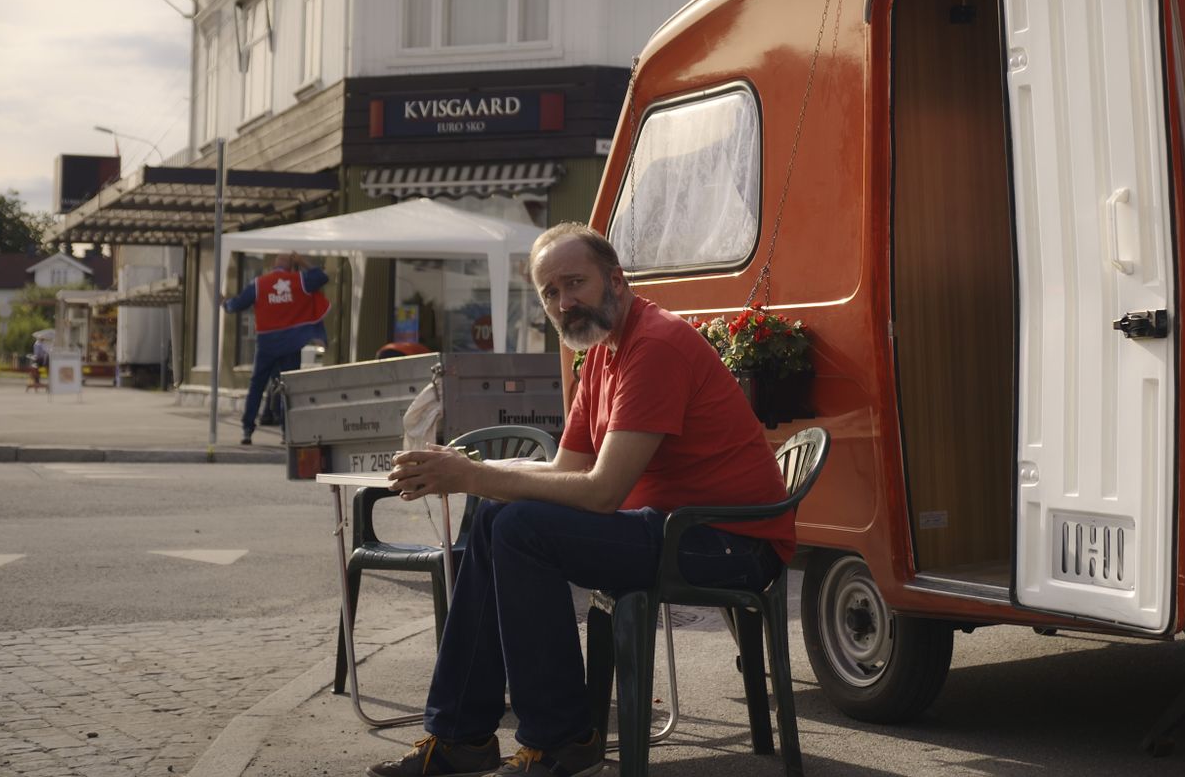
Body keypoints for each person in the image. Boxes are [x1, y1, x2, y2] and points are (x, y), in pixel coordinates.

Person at [371, 223, 794, 777]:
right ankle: (460, 738)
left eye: (575, 283)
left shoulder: (655, 346)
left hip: (730, 542)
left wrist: (470, 476)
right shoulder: (601, 354)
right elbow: (566, 471)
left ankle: (561, 741)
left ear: (615, 280)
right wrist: (466, 470)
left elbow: (600, 491)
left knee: (518, 525)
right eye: (550, 292)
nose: (564, 302)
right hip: (672, 529)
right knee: (498, 515)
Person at [222, 252, 330, 445]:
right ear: (291, 265)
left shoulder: (259, 284)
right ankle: (286, 433)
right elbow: (322, 277)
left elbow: (237, 305)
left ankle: (247, 430)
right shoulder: (299, 280)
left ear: (274, 264)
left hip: (266, 344)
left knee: (257, 386)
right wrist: (303, 263)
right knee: (289, 388)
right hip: (291, 343)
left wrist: (225, 304)